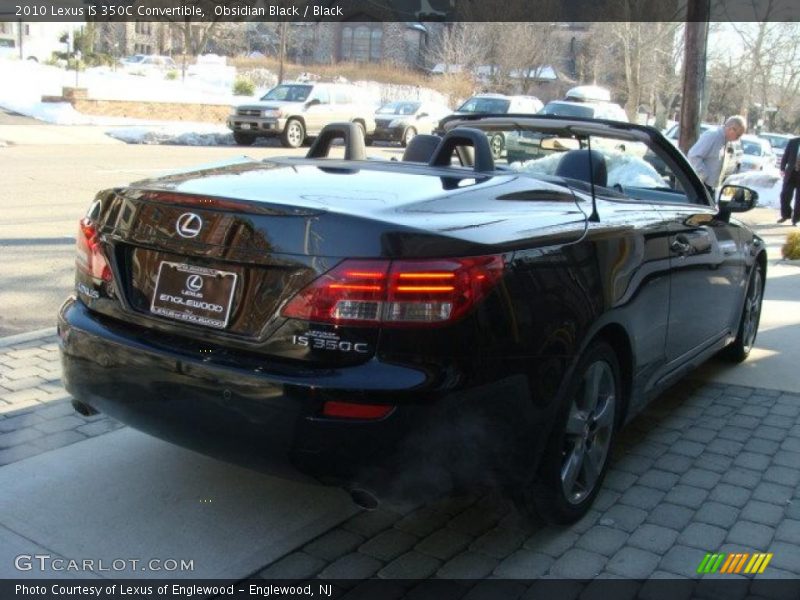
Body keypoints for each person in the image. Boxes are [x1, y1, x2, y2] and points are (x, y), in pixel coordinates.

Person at [687, 115, 747, 195]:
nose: (738, 139)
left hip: (713, 188)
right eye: (738, 135)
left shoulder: (726, 141)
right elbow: (693, 155)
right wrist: (703, 176)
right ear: (731, 129)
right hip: (702, 186)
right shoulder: (713, 135)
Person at [778, 136, 800, 225]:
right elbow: (786, 155)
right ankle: (786, 214)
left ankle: (796, 219)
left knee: (799, 200)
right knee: (785, 195)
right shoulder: (793, 142)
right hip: (791, 173)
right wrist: (782, 168)